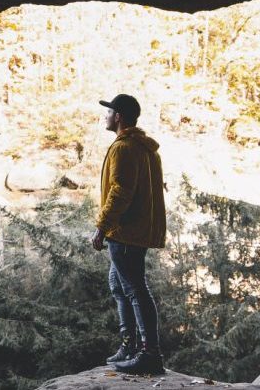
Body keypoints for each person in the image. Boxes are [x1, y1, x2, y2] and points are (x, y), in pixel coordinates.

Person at [90, 93, 169, 374]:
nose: (105, 115)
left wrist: (101, 226)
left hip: (125, 231)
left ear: (119, 117)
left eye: (109, 111)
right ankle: (129, 345)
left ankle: (149, 353)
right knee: (119, 285)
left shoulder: (124, 148)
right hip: (135, 229)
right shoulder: (145, 147)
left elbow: (120, 192)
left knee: (135, 288)